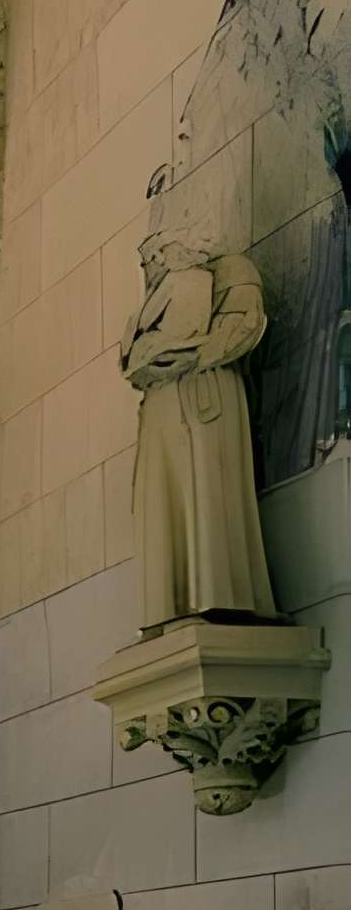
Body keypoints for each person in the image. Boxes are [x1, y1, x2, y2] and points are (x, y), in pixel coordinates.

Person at [120, 230, 277, 628]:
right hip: (163, 409)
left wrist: (183, 356)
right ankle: (171, 606)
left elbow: (238, 330)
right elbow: (131, 358)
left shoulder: (225, 275)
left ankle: (219, 596)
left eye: (153, 255)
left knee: (208, 492)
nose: (148, 265)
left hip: (202, 399)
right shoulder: (156, 301)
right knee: (163, 505)